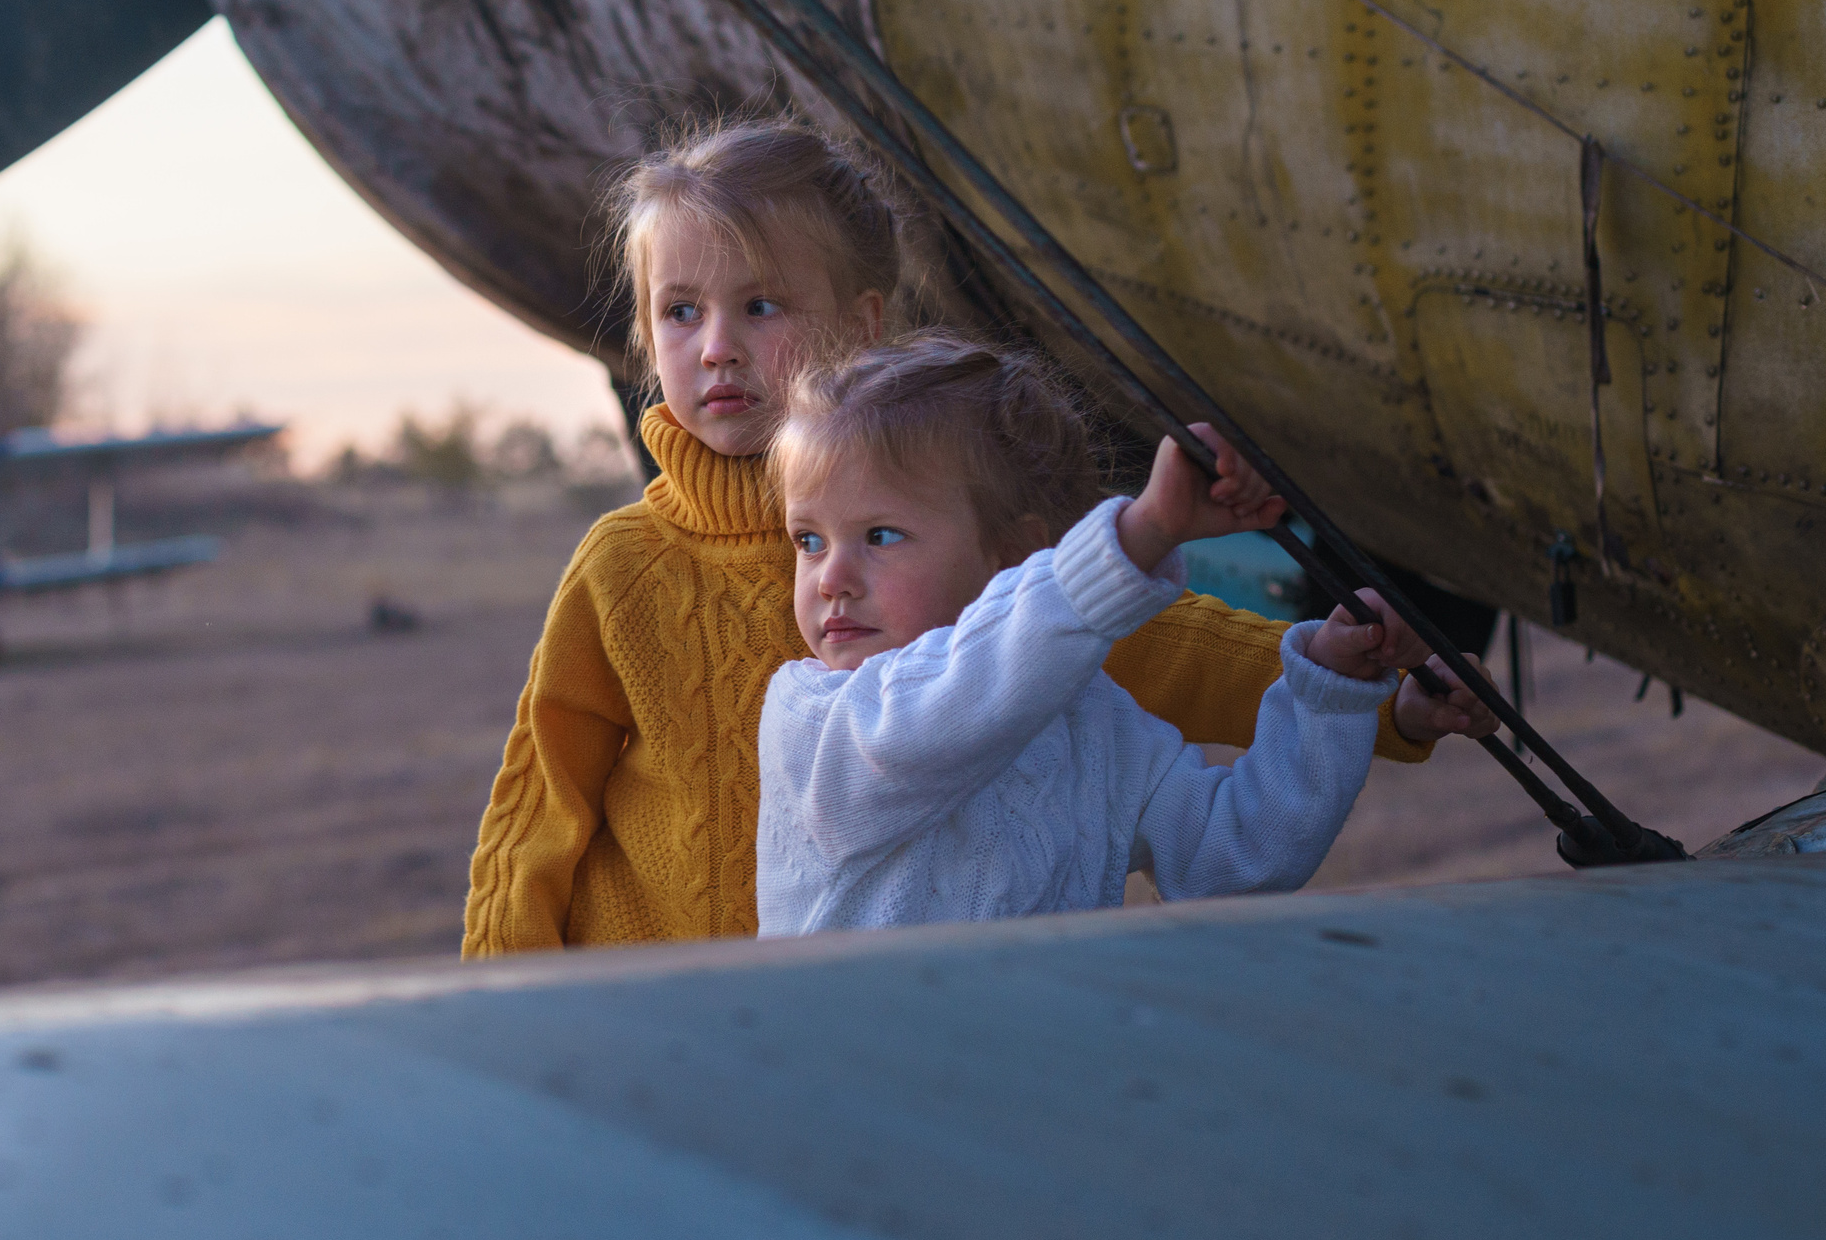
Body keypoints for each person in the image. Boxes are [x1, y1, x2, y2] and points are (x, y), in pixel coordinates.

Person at [462, 116, 1494, 956]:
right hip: (662, 1015)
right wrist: (500, 1001)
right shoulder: (623, 566)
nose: (718, 347)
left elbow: (1140, 644)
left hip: (875, 1043)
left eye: (761, 303)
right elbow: (539, 803)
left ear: (861, 324)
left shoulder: (936, 531)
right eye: (679, 312)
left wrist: (1368, 694)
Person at [756, 331, 1461, 936]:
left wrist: (1331, 691)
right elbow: (944, 708)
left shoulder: (1094, 728)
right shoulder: (816, 724)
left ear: (1013, 558)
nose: (831, 577)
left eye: (879, 536)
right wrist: (1143, 532)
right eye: (809, 540)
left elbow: (1234, 859)